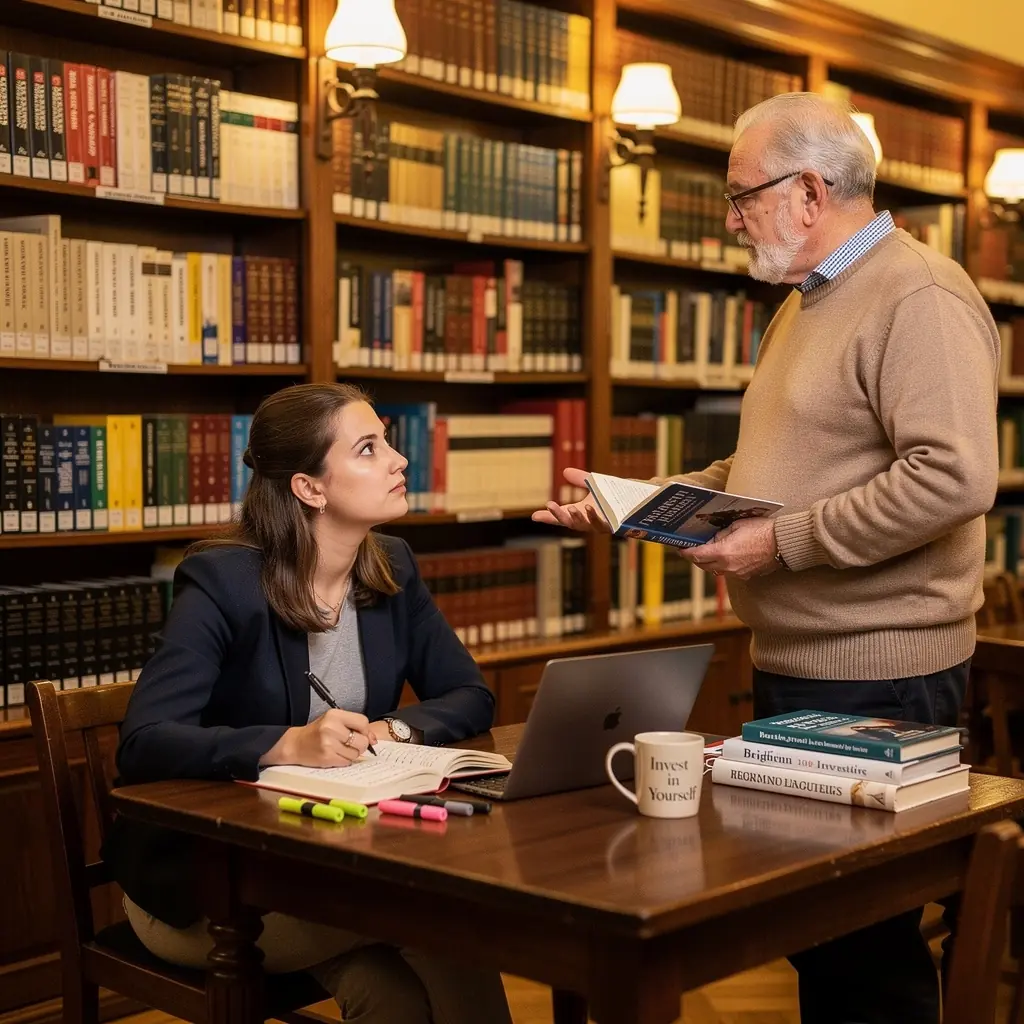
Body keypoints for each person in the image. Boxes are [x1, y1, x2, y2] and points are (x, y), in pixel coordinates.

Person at [535, 92, 1000, 1024]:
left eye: (742, 194)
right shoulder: (805, 302)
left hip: (884, 675)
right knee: (821, 942)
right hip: (798, 662)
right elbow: (772, 468)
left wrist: (779, 542)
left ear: (811, 190)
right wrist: (633, 502)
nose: (733, 216)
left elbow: (954, 477)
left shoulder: (920, 295)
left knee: (866, 951)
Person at [103, 382, 513, 1024]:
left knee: (395, 998)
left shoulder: (392, 566)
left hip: (327, 861)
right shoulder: (224, 581)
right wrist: (283, 744)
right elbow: (145, 738)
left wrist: (390, 729)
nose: (400, 460)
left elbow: (471, 695)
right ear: (310, 488)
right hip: (205, 889)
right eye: (369, 448)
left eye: (387, 442)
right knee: (445, 923)